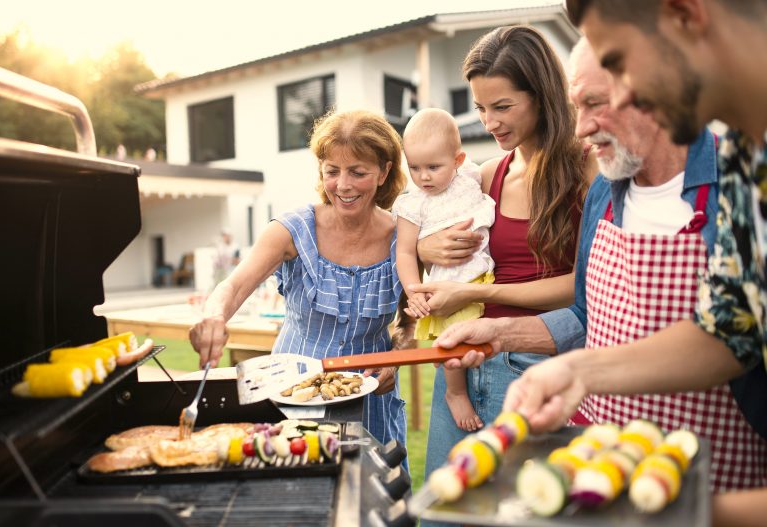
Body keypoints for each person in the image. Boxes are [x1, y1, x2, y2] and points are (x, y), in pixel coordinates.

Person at [446, 1, 767, 524]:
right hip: (615, 470)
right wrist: (565, 364)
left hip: (718, 474)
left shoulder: (728, 168)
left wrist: (689, 507)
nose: (579, 129)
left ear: (686, 20)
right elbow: (726, 331)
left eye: (616, 72)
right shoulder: (615, 192)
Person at [416, 27, 593, 526]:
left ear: (542, 95)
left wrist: (486, 293)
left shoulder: (586, 168)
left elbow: (585, 285)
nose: (489, 122)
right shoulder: (487, 174)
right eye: (479, 109)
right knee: (446, 512)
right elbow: (419, 224)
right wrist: (428, 247)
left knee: (525, 513)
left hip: (533, 366)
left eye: (503, 106)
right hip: (464, 364)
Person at [189, 109, 412, 463]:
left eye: (358, 172)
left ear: (384, 172)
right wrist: (214, 317)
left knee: (373, 507)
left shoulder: (403, 236)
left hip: (371, 402)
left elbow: (410, 319)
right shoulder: (292, 230)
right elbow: (233, 286)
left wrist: (396, 357)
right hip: (292, 396)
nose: (343, 185)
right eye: (332, 171)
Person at [392, 107, 496, 431]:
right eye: (414, 167)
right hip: (448, 282)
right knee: (452, 341)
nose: (423, 177)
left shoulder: (472, 177)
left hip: (483, 275)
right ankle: (455, 392)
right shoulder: (413, 203)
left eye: (433, 167)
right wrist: (414, 291)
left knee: (478, 343)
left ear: (459, 161)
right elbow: (405, 253)